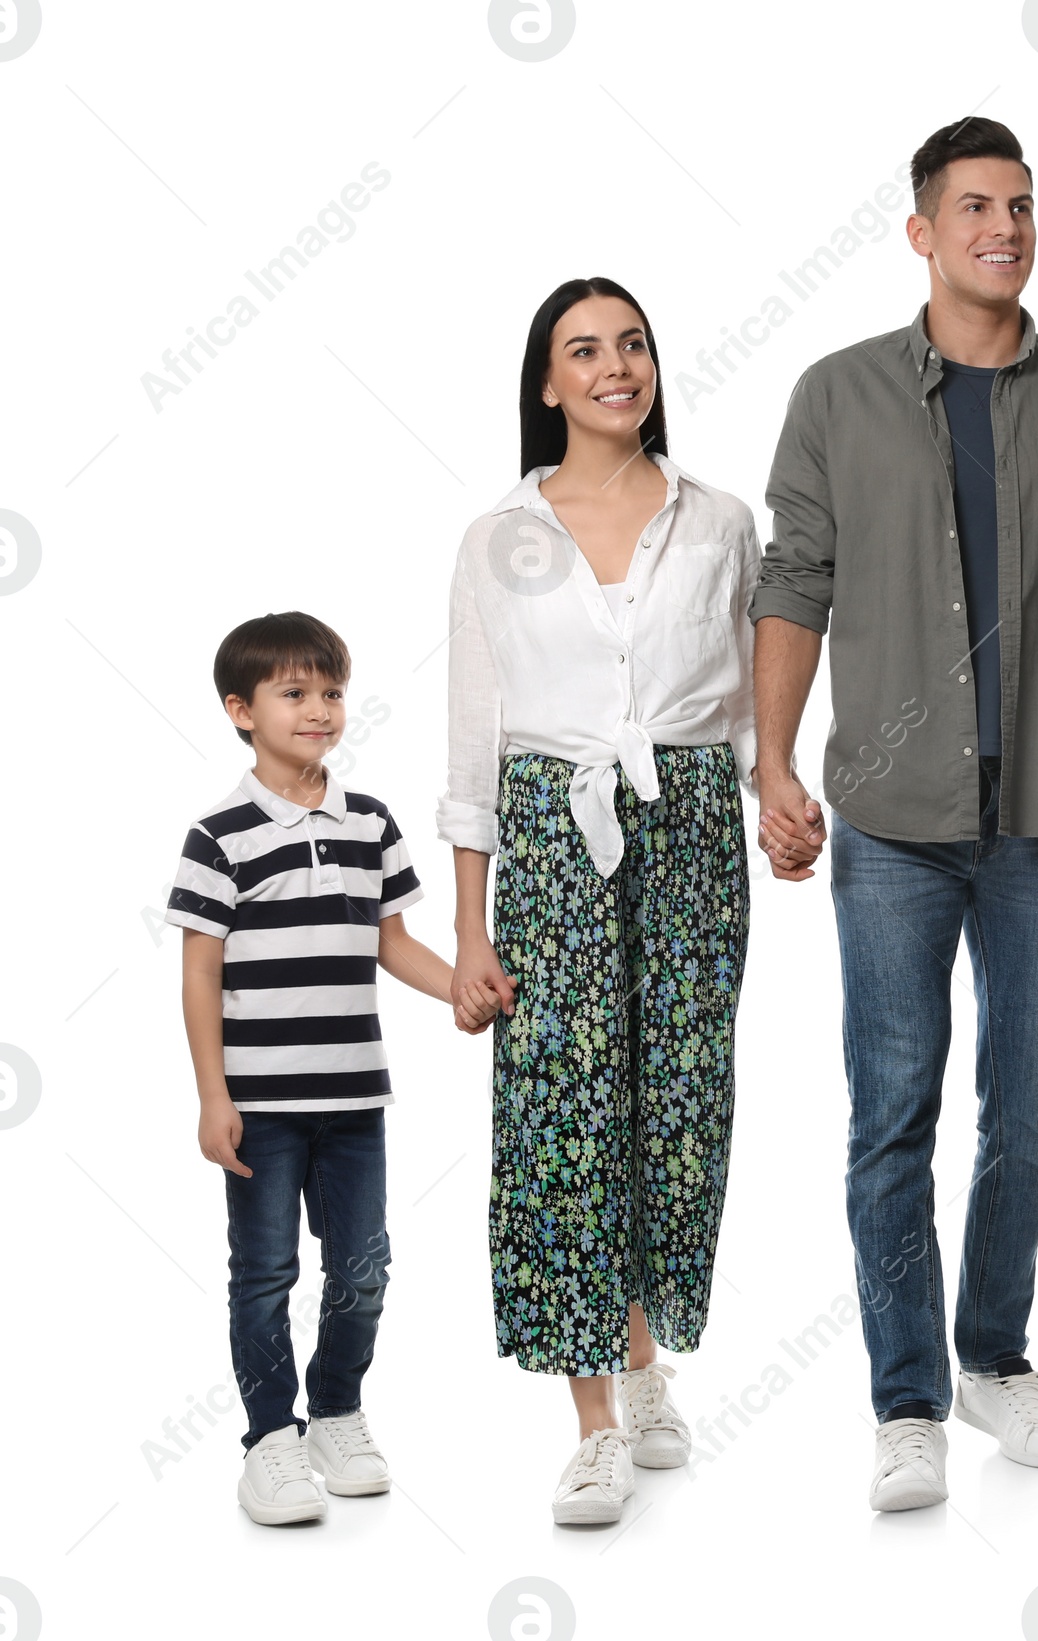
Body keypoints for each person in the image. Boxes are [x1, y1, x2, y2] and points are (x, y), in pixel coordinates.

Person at [751, 117, 1038, 1511]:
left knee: (1029, 1114)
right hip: (889, 821)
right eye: (976, 206)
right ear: (923, 231)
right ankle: (906, 1401)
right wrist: (776, 763)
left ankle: (994, 1358)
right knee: (891, 1112)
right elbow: (795, 582)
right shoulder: (837, 394)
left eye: (1023, 206)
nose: (1005, 226)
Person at [439, 277, 759, 1526]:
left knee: (675, 1098)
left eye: (632, 344)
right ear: (547, 384)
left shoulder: (720, 520)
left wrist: (773, 794)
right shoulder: (497, 538)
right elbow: (476, 744)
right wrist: (470, 929)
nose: (616, 365)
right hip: (547, 830)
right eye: (586, 350)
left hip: (690, 829)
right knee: (561, 1106)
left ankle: (642, 1355)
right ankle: (591, 1419)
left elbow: (742, 699)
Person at [166, 611, 486, 1525]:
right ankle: (271, 1435)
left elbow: (394, 944)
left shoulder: (370, 822)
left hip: (354, 1101)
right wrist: (212, 1095)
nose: (320, 710)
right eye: (295, 693)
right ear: (241, 709)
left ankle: (336, 1410)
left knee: (363, 1268)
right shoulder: (220, 834)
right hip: (260, 1107)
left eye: (333, 691)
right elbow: (199, 972)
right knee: (264, 1271)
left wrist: (464, 988)